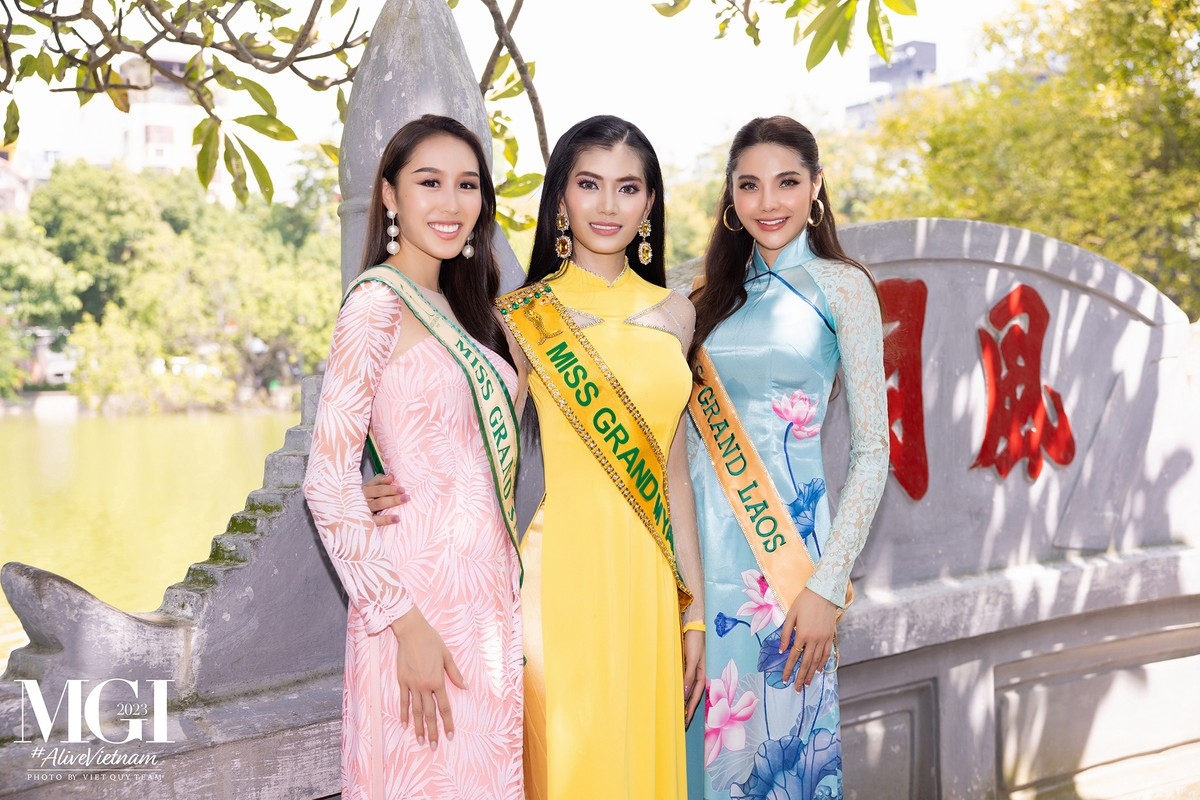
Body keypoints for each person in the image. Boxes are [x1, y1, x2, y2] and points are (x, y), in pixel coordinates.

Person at [303, 114, 525, 799]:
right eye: (429, 182)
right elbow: (325, 479)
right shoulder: (376, 304)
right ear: (391, 196)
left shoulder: (474, 310)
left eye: (467, 185)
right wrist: (407, 626)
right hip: (415, 606)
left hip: (489, 604)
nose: (451, 202)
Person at [497, 114, 706, 799]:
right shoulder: (524, 314)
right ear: (560, 198)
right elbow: (482, 461)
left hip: (649, 581)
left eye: (627, 188)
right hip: (559, 576)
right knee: (569, 767)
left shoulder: (678, 313)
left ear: (649, 205)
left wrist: (694, 613)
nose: (608, 205)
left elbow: (675, 476)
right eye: (590, 184)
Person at [686, 116, 888, 799]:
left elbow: (872, 450)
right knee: (702, 749)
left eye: (786, 182)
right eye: (750, 185)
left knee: (782, 749)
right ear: (730, 198)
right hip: (700, 566)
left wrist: (829, 586)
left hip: (792, 569)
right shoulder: (701, 299)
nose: (768, 202)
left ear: (816, 187)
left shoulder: (842, 288)